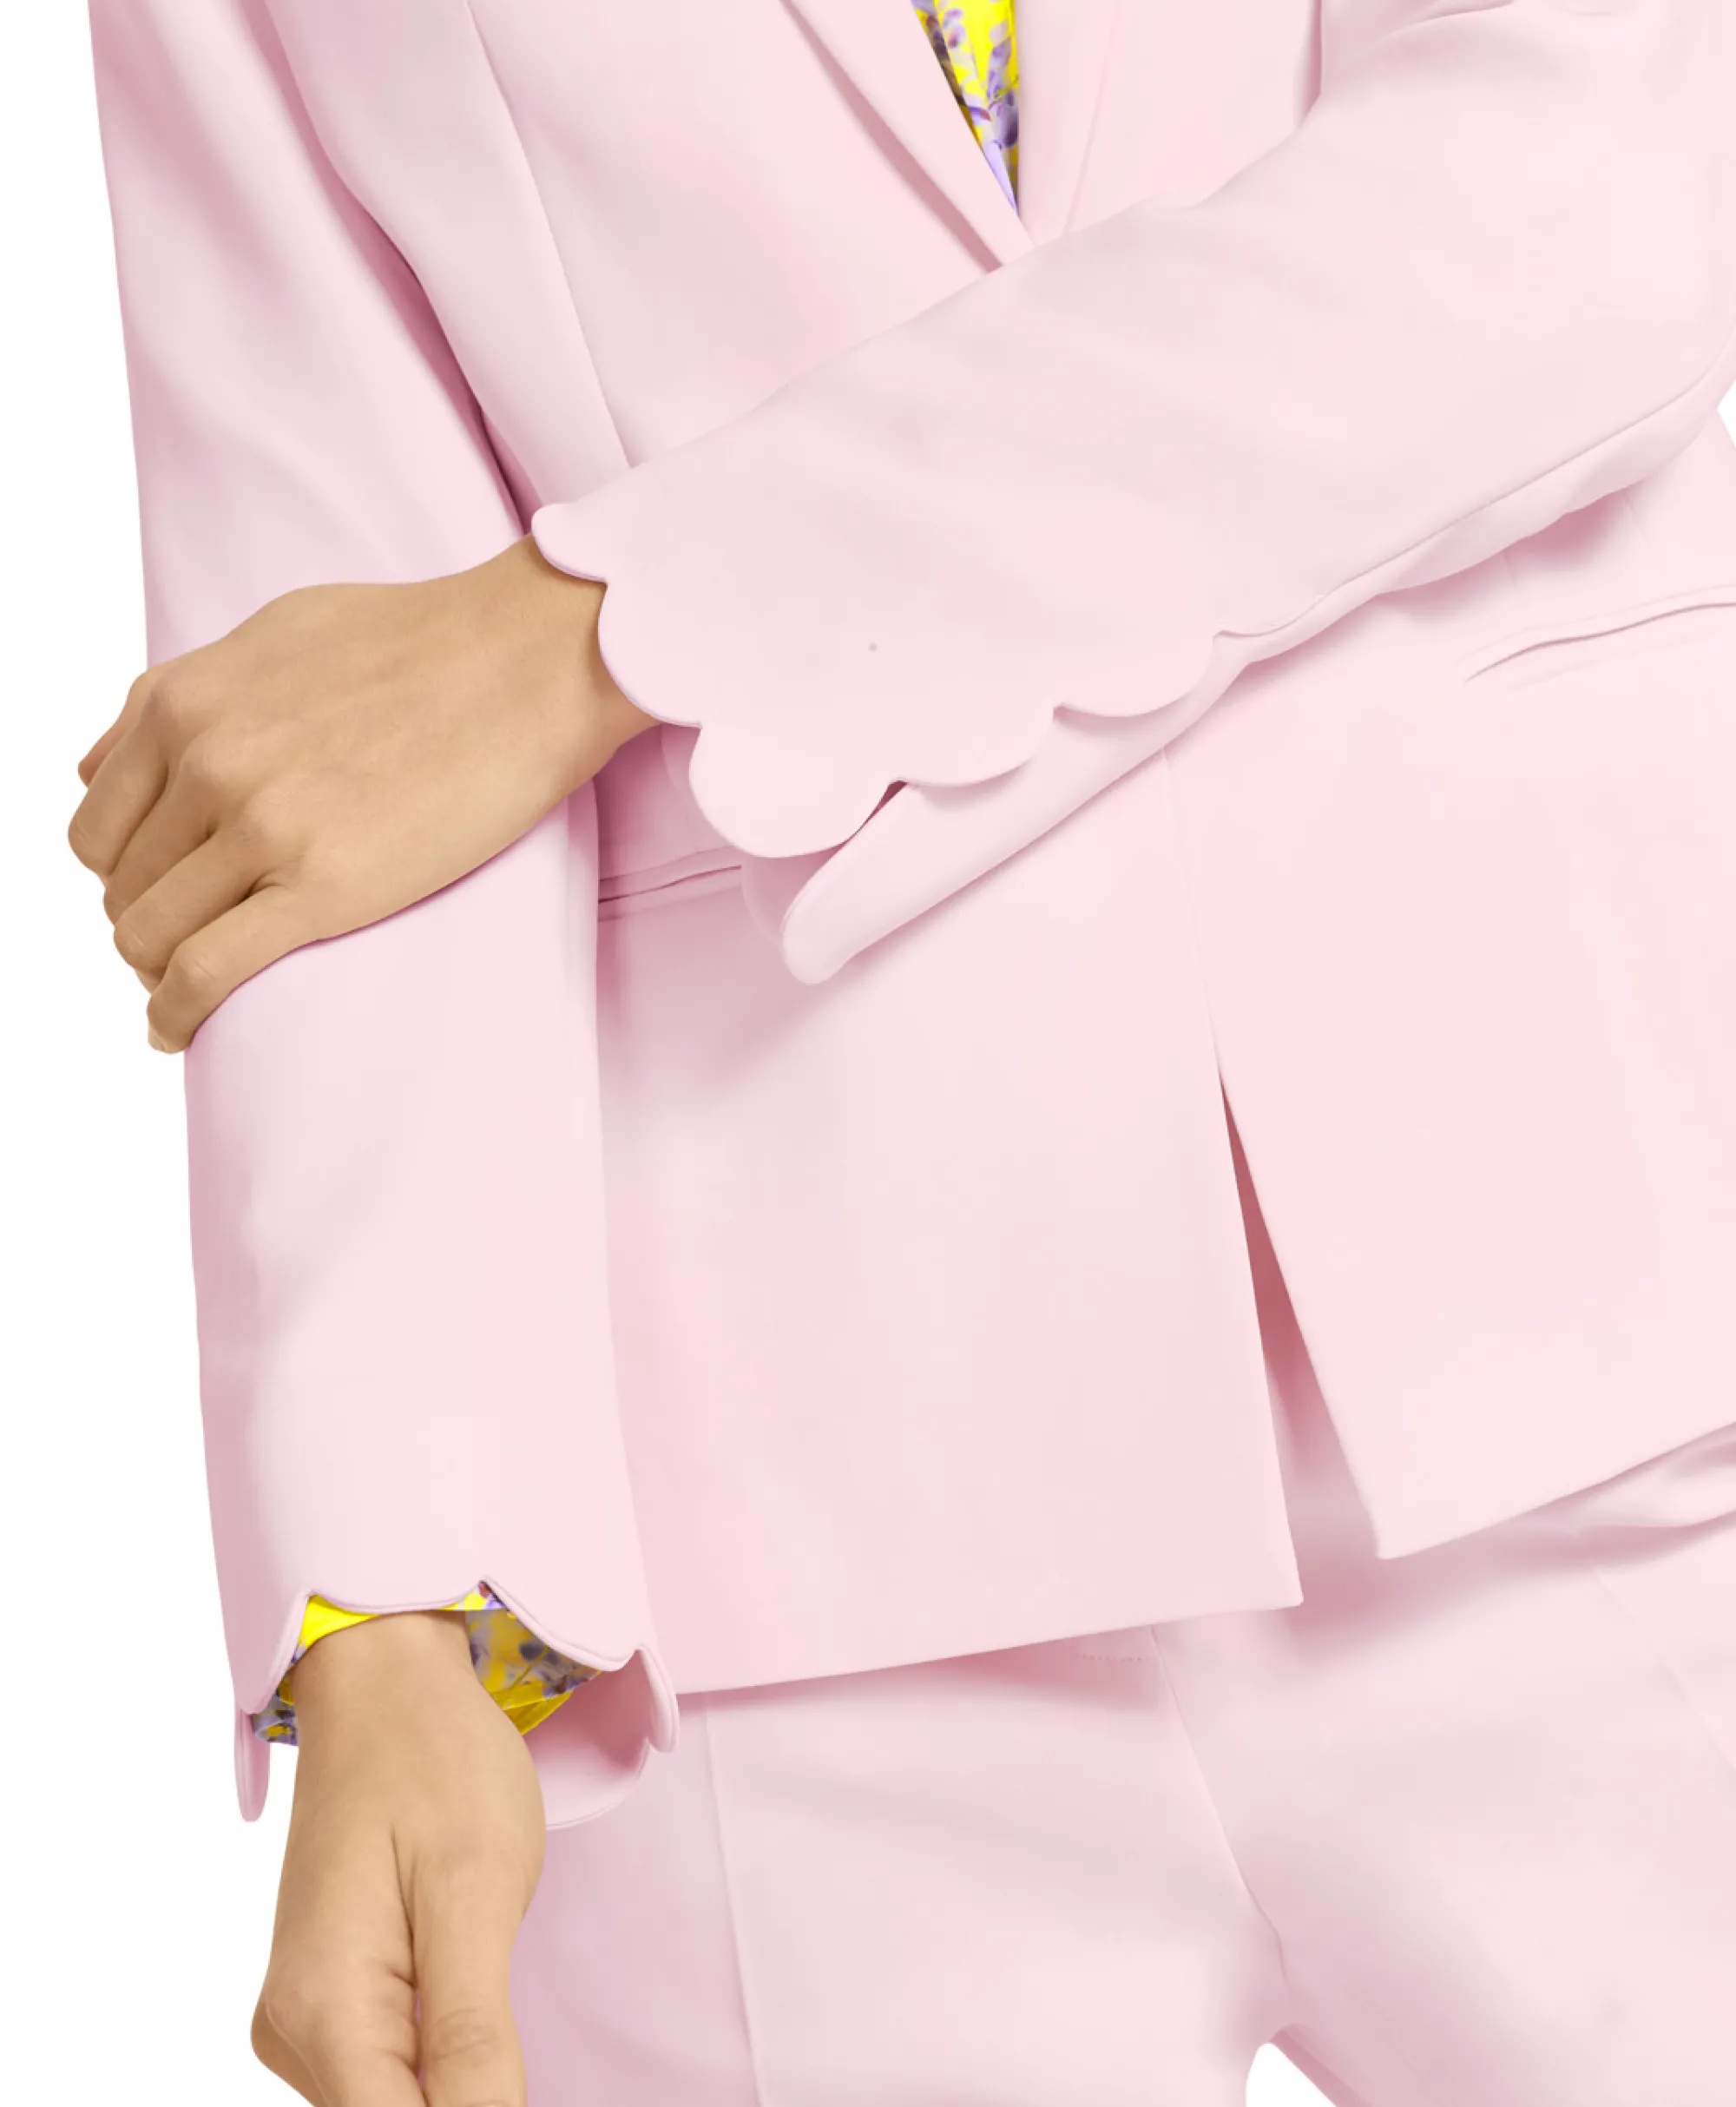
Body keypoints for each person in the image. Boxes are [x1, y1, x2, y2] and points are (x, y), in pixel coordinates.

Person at [74, 0, 1736, 2101]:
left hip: (1607, 1354)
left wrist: (605, 624)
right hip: (788, 1584)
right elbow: (323, 743)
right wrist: (391, 1609)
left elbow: (1575, 197)